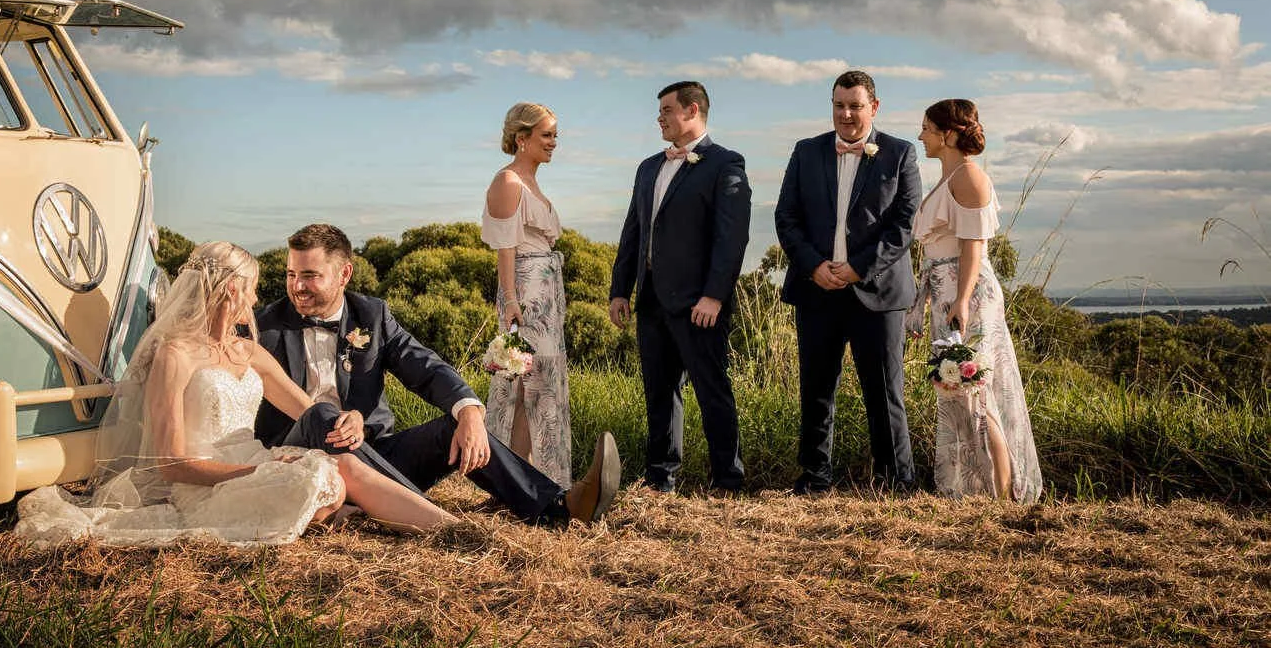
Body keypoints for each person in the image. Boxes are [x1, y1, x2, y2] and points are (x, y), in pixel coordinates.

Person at [14, 242, 456, 546]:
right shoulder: (176, 355)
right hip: (205, 484)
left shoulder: (250, 353)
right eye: (252, 287)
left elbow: (311, 413)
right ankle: (451, 529)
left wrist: (351, 419)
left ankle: (441, 526)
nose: (257, 297)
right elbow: (171, 464)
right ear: (231, 291)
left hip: (259, 462)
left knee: (332, 477)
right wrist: (251, 474)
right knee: (327, 479)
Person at [255, 224, 620, 525]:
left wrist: (470, 412)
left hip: (375, 455)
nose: (297, 286)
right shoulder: (264, 328)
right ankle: (435, 522)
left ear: (344, 274)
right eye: (291, 274)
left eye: (309, 275)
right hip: (300, 461)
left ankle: (559, 507)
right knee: (320, 414)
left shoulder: (372, 316)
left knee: (453, 427)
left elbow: (425, 367)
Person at [774, 70, 922, 495]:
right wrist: (814, 266)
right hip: (816, 289)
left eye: (855, 105)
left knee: (884, 391)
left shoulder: (900, 154)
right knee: (817, 390)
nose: (846, 113)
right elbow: (786, 217)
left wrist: (858, 268)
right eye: (839, 105)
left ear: (873, 107)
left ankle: (897, 481)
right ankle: (815, 478)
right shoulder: (806, 152)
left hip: (877, 292)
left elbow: (903, 225)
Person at [608, 81, 752, 493]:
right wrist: (621, 289)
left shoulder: (725, 163)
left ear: (692, 110)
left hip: (698, 302)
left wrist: (714, 295)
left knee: (712, 391)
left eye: (667, 110)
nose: (660, 117)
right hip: (651, 297)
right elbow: (633, 230)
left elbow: (732, 237)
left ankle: (728, 479)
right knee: (659, 391)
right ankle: (660, 477)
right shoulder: (648, 167)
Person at [909, 100, 1042, 502]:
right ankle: (974, 488)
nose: (921, 136)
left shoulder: (969, 177)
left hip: (966, 294)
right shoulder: (948, 177)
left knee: (975, 390)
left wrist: (961, 301)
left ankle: (1005, 496)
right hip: (946, 289)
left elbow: (973, 247)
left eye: (928, 128)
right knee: (958, 392)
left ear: (948, 134)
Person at [481, 102, 571, 487]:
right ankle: (514, 480)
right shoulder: (508, 182)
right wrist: (512, 301)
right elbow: (506, 248)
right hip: (525, 295)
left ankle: (535, 477)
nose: (553, 142)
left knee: (539, 386)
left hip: (546, 294)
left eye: (555, 135)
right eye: (546, 134)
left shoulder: (532, 182)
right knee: (519, 385)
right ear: (522, 138)